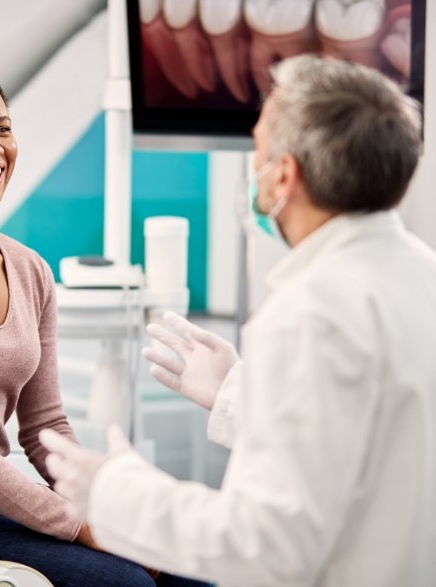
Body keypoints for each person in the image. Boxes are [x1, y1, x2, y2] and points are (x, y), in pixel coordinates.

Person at [40, 55, 436, 586]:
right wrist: (237, 392)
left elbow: (264, 543)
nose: (253, 168)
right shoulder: (421, 277)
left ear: (284, 176)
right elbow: (369, 444)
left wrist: (116, 491)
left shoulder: (309, 312)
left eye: (258, 148)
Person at [0, 25, 209, 587]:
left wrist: (104, 502)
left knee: (190, 570)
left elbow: (45, 424)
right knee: (124, 583)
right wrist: (79, 526)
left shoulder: (29, 269)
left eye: (2, 128)